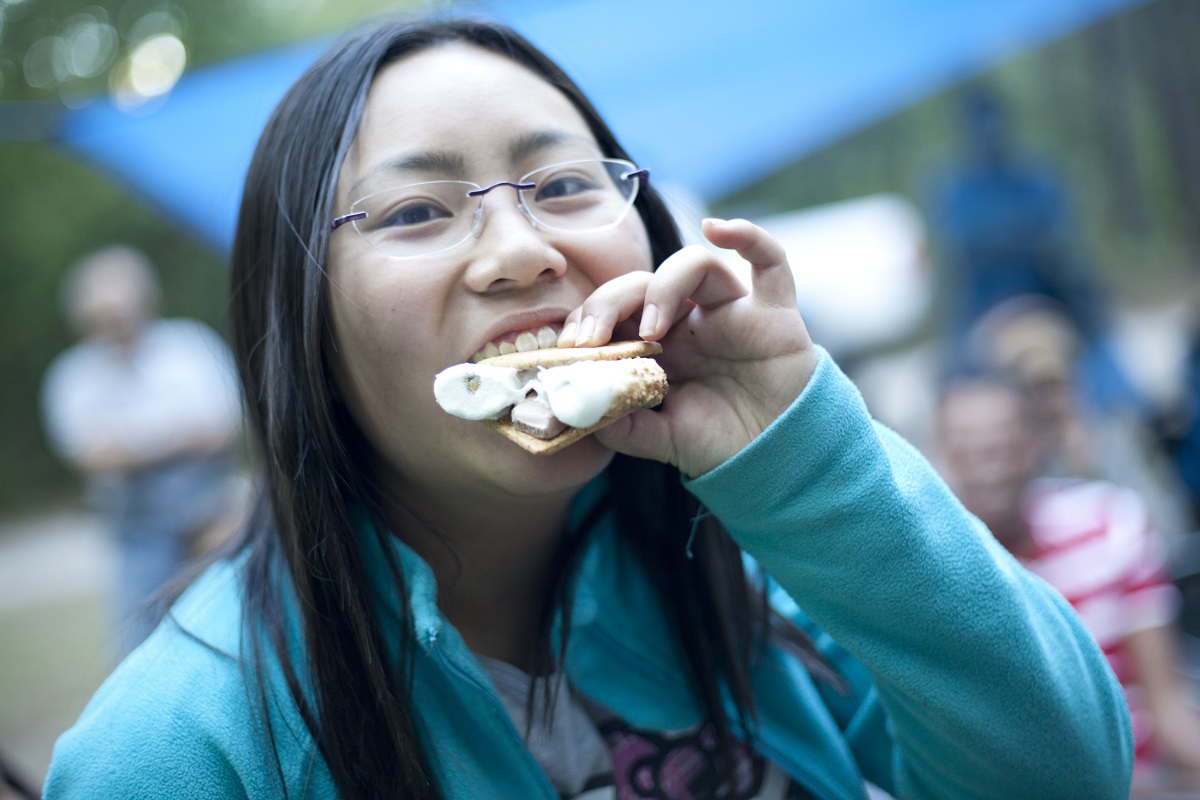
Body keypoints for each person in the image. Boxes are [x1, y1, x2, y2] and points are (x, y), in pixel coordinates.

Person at [44, 16, 1132, 800]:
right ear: (302, 323)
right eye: (419, 209)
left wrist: (803, 455)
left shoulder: (754, 580)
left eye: (564, 185)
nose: (524, 251)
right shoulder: (180, 748)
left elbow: (1069, 767)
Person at [936, 372, 1200, 793]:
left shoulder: (1111, 521)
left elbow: (1165, 705)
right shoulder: (936, 572)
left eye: (1002, 441)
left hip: (1152, 778)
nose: (988, 461)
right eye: (967, 446)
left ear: (1034, 443)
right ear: (942, 455)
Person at [39, 245, 243, 654]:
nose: (116, 325)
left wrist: (131, 445)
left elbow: (221, 428)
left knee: (239, 618)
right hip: (138, 530)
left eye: (121, 312)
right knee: (137, 644)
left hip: (213, 510)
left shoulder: (189, 345)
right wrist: (175, 437)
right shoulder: (73, 374)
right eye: (103, 317)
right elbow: (92, 454)